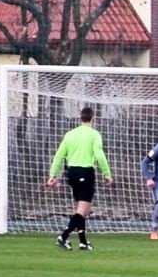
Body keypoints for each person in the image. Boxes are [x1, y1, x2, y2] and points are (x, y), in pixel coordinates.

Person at [48, 106, 112, 251]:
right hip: (86, 171)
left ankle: (83, 242)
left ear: (79, 118)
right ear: (93, 119)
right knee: (82, 210)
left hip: (71, 173)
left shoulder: (70, 134)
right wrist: (107, 173)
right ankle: (63, 237)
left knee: (80, 208)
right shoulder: (94, 134)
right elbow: (99, 154)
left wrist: (52, 175)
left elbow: (59, 155)